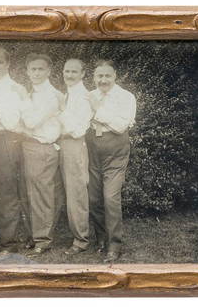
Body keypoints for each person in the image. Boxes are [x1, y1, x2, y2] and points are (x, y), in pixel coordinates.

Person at [86, 60, 136, 263]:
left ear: (115, 76)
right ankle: (101, 239)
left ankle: (114, 245)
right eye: (99, 76)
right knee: (93, 198)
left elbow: (120, 126)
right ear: (94, 77)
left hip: (115, 149)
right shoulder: (89, 95)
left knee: (110, 198)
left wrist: (98, 111)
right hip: (92, 148)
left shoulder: (125, 97)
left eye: (107, 76)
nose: (103, 80)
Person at [0, 47, 33, 254]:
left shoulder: (16, 89)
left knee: (5, 191)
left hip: (6, 139)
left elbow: (13, 122)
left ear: (7, 65)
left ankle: (10, 243)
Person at [21, 53, 63, 255]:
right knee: (29, 193)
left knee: (42, 195)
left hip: (43, 147)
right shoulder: (29, 93)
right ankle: (34, 236)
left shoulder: (52, 95)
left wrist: (23, 126)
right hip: (28, 146)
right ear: (27, 72)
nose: (36, 73)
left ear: (48, 71)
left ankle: (43, 239)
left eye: (40, 69)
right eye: (33, 69)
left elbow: (30, 122)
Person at [58, 58, 92, 255]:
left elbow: (78, 130)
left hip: (74, 144)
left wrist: (60, 113)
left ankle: (81, 240)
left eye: (73, 72)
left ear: (82, 74)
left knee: (76, 193)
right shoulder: (67, 94)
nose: (69, 75)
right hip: (60, 143)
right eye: (66, 71)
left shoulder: (84, 97)